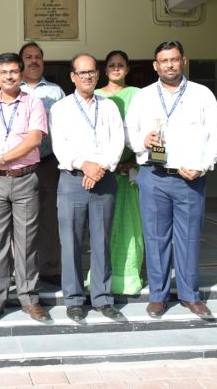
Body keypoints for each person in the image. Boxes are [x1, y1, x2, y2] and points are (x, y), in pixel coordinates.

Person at [125, 40, 217, 320]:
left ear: (184, 61)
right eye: (164, 61)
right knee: (155, 238)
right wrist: (142, 141)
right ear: (156, 65)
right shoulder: (144, 96)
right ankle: (158, 296)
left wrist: (202, 167)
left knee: (189, 238)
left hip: (189, 179)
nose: (169, 65)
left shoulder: (202, 95)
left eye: (174, 59)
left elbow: (216, 135)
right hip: (154, 176)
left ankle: (190, 295)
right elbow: (128, 131)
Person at [0, 52, 50, 324]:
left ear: (21, 74)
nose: (9, 76)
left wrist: (2, 158)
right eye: (3, 72)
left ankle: (29, 298)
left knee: (26, 243)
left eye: (14, 71)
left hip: (25, 178)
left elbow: (34, 139)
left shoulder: (33, 102)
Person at [50, 53, 126, 323]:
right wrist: (85, 165)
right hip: (72, 180)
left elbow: (118, 141)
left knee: (101, 240)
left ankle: (103, 298)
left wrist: (99, 168)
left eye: (92, 71)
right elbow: (60, 146)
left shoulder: (109, 107)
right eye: (82, 73)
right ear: (73, 77)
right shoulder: (60, 108)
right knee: (70, 242)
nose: (88, 76)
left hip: (103, 180)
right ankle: (73, 300)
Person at [85, 50, 145, 295]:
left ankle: (128, 278)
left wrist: (133, 163)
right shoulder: (95, 95)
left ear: (127, 68)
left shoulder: (138, 95)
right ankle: (100, 278)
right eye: (111, 65)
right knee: (102, 230)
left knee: (131, 228)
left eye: (121, 65)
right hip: (101, 172)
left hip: (130, 172)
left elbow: (145, 130)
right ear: (105, 70)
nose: (116, 68)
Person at [19, 42, 65, 287]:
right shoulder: (13, 88)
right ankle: (23, 271)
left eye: (37, 56)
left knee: (49, 218)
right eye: (28, 57)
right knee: (22, 220)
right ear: (21, 62)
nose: (33, 60)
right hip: (20, 165)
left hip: (48, 163)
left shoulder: (56, 91)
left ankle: (50, 268)